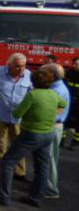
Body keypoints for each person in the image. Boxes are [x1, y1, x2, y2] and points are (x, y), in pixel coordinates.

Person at [0, 69, 68, 207]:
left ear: (33, 81)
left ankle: (3, 196)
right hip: (48, 134)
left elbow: (17, 114)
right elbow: (63, 105)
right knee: (42, 167)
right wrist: (51, 114)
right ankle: (35, 198)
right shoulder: (53, 94)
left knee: (7, 161)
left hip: (31, 134)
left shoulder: (32, 95)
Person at [40, 63, 70, 199]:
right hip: (54, 126)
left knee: (49, 159)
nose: (41, 75)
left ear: (51, 75)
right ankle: (45, 185)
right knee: (50, 158)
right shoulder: (57, 88)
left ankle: (51, 190)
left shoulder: (56, 91)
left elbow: (53, 112)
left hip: (52, 126)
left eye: (43, 73)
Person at [65, 57, 79, 149]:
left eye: (76, 64)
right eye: (73, 63)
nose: (74, 65)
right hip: (69, 100)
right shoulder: (68, 72)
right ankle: (61, 140)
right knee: (65, 120)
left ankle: (76, 142)